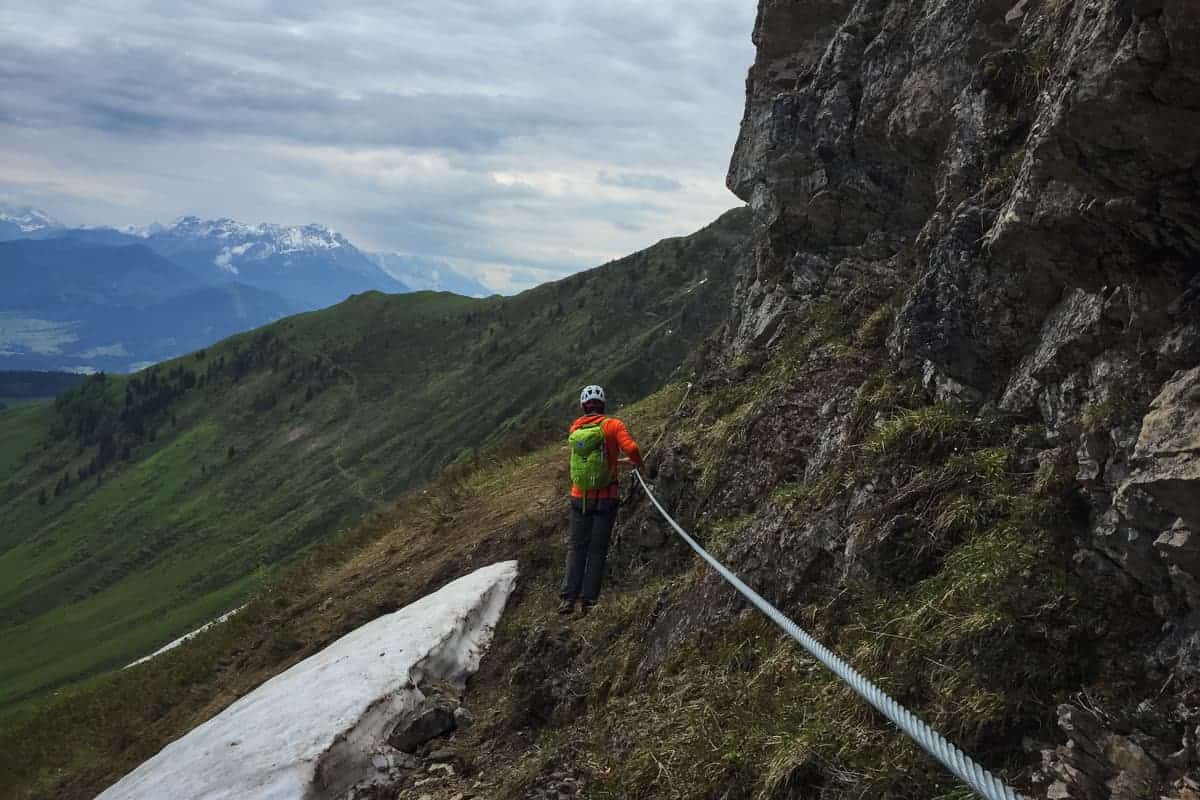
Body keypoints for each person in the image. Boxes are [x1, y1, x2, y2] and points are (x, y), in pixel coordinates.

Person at [559, 384, 644, 616]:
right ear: (603, 405)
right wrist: (638, 462)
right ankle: (588, 601)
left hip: (579, 497)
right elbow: (631, 447)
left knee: (576, 548)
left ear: (583, 406)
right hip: (606, 498)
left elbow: (588, 461)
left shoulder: (576, 428)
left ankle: (567, 598)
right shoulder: (613, 425)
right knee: (597, 550)